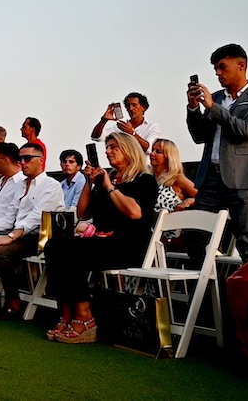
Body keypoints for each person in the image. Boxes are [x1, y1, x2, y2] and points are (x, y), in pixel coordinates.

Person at [44, 132, 157, 344]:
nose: (107, 151)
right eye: (107, 147)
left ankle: (85, 317)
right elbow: (83, 213)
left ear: (129, 150)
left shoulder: (144, 180)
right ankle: (69, 312)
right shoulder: (108, 179)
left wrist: (108, 186)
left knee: (71, 250)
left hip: (128, 245)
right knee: (54, 245)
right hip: (102, 242)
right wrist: (89, 181)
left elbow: (134, 213)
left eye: (114, 147)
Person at [186, 43, 248, 265]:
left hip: (244, 180)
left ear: (241, 65)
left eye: (222, 67)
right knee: (194, 235)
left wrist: (213, 108)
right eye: (216, 68)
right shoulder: (215, 97)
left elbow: (247, 131)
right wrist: (193, 108)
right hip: (211, 179)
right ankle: (210, 292)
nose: (217, 73)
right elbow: (200, 136)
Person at [0, 143, 64, 319]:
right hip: (17, 233)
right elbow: (9, 216)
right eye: (21, 158)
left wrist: (9, 236)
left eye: (27, 158)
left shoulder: (51, 185)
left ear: (41, 161)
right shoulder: (22, 185)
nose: (22, 162)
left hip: (41, 237)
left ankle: (12, 297)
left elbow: (36, 217)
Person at [90, 92, 161, 154]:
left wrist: (131, 133)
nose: (130, 108)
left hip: (144, 168)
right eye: (128, 105)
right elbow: (96, 137)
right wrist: (104, 120)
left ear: (143, 107)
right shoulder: (121, 126)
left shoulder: (152, 127)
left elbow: (150, 149)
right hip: (125, 168)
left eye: (134, 105)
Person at [150, 139, 197, 213]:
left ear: (168, 156)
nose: (152, 153)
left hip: (171, 222)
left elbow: (202, 196)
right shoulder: (148, 177)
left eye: (158, 152)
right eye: (152, 150)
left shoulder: (176, 179)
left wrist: (189, 201)